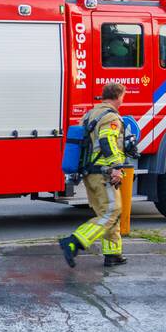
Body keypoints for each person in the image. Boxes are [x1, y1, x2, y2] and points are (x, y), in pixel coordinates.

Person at [58, 82, 128, 268]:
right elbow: (107, 141)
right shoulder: (110, 116)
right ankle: (74, 242)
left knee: (106, 213)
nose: (123, 100)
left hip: (90, 173)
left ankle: (113, 254)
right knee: (111, 212)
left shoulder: (90, 114)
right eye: (123, 97)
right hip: (104, 173)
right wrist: (115, 166)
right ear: (118, 96)